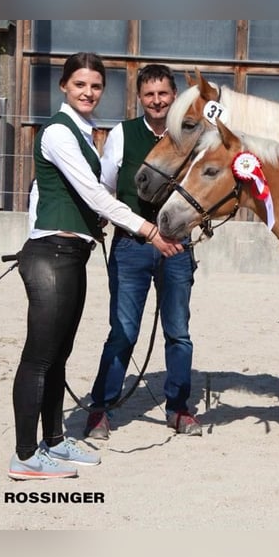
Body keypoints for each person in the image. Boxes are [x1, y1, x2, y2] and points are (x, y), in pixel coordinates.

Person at [9, 53, 184, 480]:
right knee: (39, 357)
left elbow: (85, 200)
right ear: (65, 87)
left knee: (58, 355)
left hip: (72, 255)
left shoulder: (84, 133)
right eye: (80, 85)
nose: (88, 93)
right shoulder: (58, 132)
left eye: (96, 86)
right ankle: (25, 455)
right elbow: (95, 195)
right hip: (50, 253)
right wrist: (148, 230)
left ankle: (54, 440)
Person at [84, 64, 202, 440]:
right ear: (140, 98)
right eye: (149, 95)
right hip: (132, 247)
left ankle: (179, 408)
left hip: (177, 247)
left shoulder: (191, 136)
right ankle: (100, 408)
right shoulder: (122, 134)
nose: (156, 101)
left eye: (163, 94)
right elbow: (104, 187)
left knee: (178, 332)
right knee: (123, 331)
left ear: (174, 97)